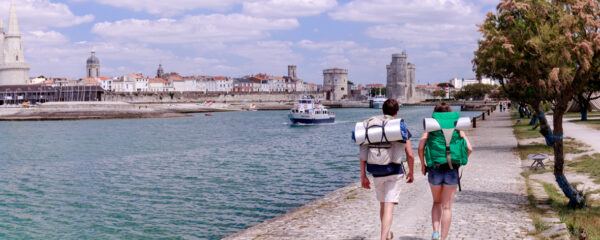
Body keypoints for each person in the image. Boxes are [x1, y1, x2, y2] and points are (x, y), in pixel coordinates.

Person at [359, 99, 415, 240]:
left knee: (383, 204)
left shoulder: (372, 126)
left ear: (382, 110)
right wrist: (411, 172)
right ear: (397, 112)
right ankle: (384, 237)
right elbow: (410, 154)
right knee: (389, 205)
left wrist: (363, 176)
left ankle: (387, 234)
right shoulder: (400, 126)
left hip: (376, 171)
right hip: (394, 171)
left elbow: (363, 154)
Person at [418, 103, 473, 240]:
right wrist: (460, 160)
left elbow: (420, 147)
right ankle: (443, 238)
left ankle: (435, 232)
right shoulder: (457, 126)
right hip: (452, 169)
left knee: (436, 202)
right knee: (447, 207)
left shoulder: (431, 125)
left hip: (434, 169)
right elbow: (469, 148)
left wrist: (423, 165)